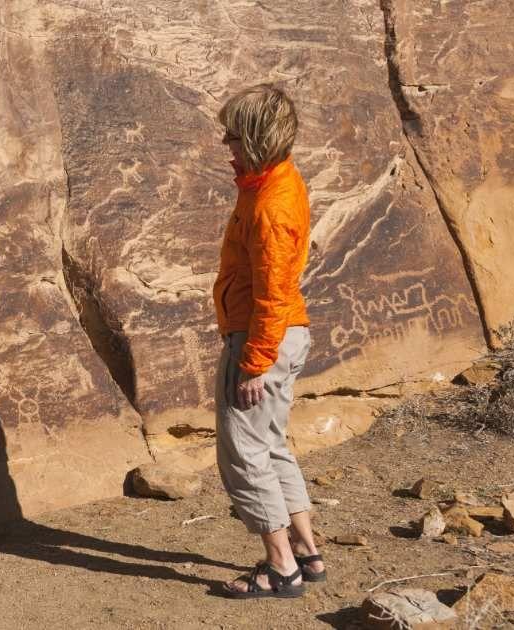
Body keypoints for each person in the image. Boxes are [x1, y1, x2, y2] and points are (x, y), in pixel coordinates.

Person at [212, 84, 325, 598]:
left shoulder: (271, 205)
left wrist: (255, 362)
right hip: (282, 335)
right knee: (271, 443)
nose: (225, 144)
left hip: (264, 340)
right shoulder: (268, 183)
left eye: (233, 135)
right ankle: (306, 549)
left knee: (244, 453)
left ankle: (280, 567)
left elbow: (273, 293)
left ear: (254, 138)